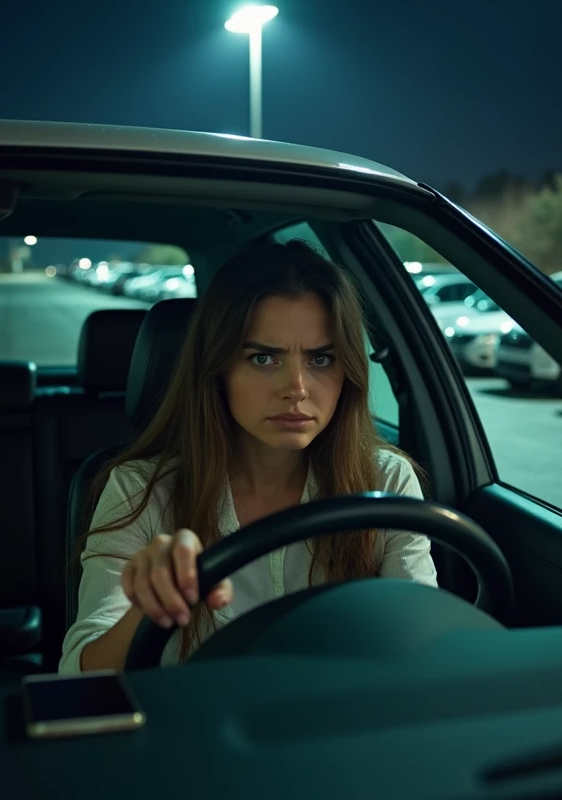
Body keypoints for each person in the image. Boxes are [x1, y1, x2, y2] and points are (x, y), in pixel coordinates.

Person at [59, 241, 438, 673]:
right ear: (217, 369)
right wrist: (150, 605)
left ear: (347, 370)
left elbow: (423, 647)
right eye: (263, 357)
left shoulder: (386, 481)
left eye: (320, 358)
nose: (296, 387)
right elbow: (79, 673)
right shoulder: (140, 488)